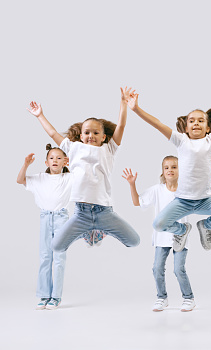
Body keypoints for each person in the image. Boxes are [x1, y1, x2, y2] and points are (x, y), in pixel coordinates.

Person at [126, 83, 211, 252]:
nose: (196, 124)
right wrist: (136, 109)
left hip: (204, 201)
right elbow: (157, 123)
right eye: (191, 121)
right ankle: (182, 230)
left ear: (208, 127)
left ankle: (206, 226)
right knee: (158, 224)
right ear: (186, 127)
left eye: (201, 121)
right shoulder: (180, 140)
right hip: (182, 202)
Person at [26, 87, 140, 252]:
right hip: (81, 213)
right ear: (80, 136)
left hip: (104, 212)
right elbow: (52, 133)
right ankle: (85, 232)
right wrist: (40, 115)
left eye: (96, 132)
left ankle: (102, 230)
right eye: (87, 132)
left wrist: (123, 103)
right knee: (56, 246)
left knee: (134, 241)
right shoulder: (73, 148)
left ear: (103, 137)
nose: (91, 135)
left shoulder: (109, 149)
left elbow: (121, 126)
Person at [122, 156, 196, 312]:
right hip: (161, 237)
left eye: (174, 167)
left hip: (180, 237)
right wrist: (132, 184)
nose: (170, 170)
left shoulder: (186, 190)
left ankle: (188, 298)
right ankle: (162, 298)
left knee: (178, 269)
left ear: (180, 170)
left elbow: (201, 200)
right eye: (167, 167)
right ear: (163, 171)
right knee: (157, 268)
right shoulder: (157, 190)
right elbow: (137, 202)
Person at [17, 145, 71, 310]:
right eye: (52, 158)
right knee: (45, 258)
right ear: (46, 162)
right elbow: (20, 180)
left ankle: (56, 297)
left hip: (62, 218)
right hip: (45, 217)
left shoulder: (69, 178)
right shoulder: (40, 178)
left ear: (65, 161)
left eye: (59, 158)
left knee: (59, 259)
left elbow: (85, 175)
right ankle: (44, 295)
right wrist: (26, 164)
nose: (55, 160)